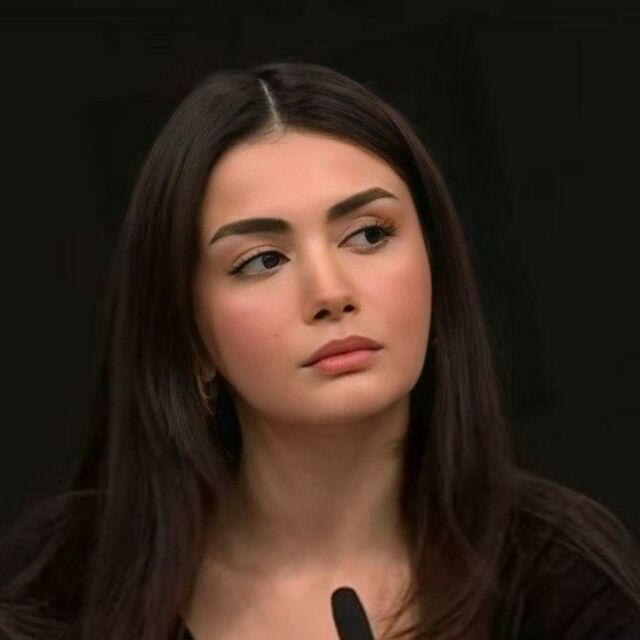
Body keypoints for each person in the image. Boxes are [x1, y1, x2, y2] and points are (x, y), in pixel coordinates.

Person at [1, 60, 639, 640]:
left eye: (368, 234)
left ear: (437, 269)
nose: (330, 293)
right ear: (188, 333)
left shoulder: (562, 579)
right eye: (263, 260)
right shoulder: (61, 580)